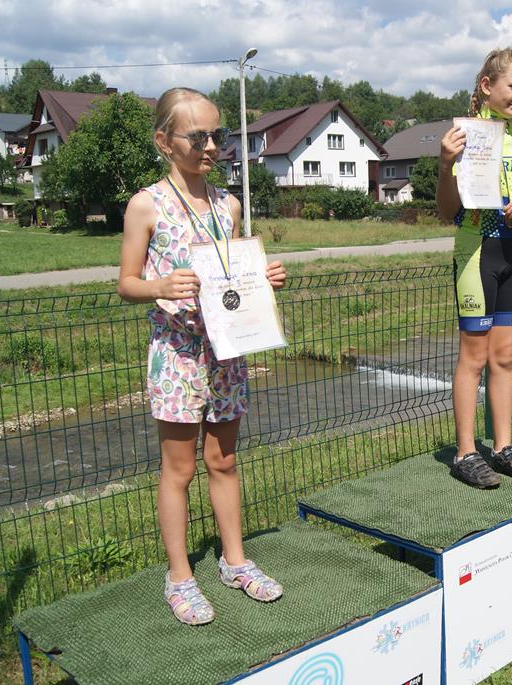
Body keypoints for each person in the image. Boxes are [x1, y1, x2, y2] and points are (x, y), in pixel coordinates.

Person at [117, 87, 287, 625]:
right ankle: (179, 576)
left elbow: (230, 277)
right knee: (179, 468)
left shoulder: (227, 205)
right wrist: (158, 285)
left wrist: (261, 278)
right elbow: (125, 283)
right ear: (164, 141)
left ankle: (234, 561)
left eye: (219, 135)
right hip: (177, 355)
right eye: (199, 137)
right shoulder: (146, 204)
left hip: (226, 353)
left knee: (225, 460)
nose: (212, 146)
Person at [436, 47, 512, 489]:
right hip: (477, 252)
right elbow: (447, 210)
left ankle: (502, 447)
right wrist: (446, 164)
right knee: (474, 358)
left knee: (504, 357)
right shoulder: (464, 136)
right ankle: (465, 452)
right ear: (487, 85)